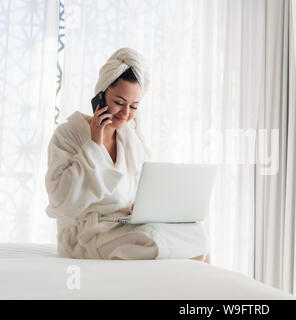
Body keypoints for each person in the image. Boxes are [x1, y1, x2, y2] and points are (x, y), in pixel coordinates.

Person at [45, 47, 210, 263]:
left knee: (198, 235)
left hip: (122, 224)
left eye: (134, 106)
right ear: (101, 96)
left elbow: (143, 191)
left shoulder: (130, 139)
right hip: (85, 233)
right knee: (151, 238)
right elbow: (61, 198)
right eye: (119, 103)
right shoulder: (68, 134)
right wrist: (94, 145)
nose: (126, 114)